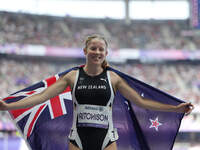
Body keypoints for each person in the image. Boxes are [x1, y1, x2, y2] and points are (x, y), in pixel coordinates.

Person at [0, 34, 194, 150]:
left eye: (101, 49)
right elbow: (41, 97)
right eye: (93, 48)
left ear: (106, 54)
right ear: (85, 51)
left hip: (107, 139)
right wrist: (7, 106)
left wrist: (175, 109)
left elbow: (141, 102)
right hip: (77, 139)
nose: (97, 52)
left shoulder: (114, 78)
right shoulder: (72, 77)